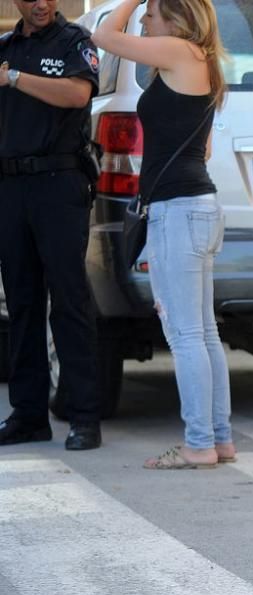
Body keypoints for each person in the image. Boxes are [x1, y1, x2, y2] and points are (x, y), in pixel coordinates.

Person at [94, 0, 234, 469]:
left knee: (185, 333)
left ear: (174, 19)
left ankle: (198, 445)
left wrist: (127, 0)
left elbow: (104, 39)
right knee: (205, 332)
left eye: (150, 13)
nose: (144, 22)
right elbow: (205, 146)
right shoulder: (204, 62)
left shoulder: (177, 50)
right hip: (199, 206)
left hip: (178, 211)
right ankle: (219, 438)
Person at [0, 0, 103, 451]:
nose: (40, 4)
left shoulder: (73, 42)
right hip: (10, 186)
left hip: (59, 184)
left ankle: (84, 416)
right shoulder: (5, 47)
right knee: (21, 301)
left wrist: (15, 78)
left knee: (69, 299)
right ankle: (28, 415)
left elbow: (78, 94)